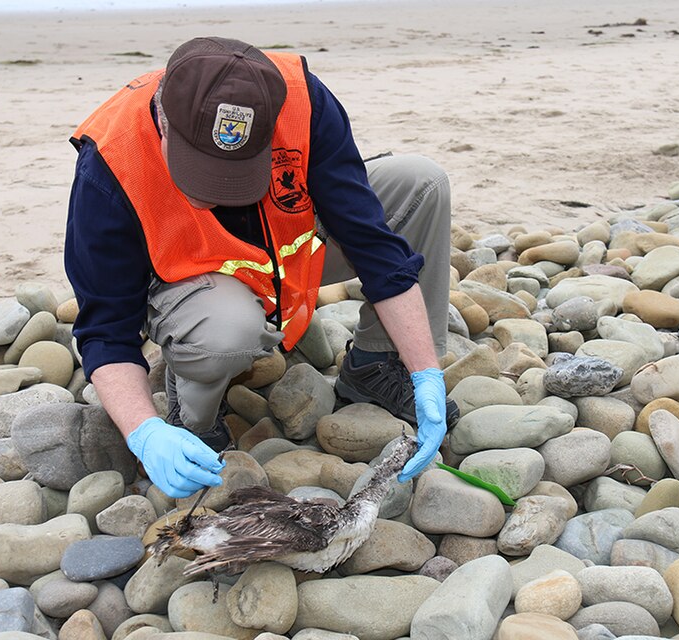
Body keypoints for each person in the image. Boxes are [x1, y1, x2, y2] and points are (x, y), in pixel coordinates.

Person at [65, 36, 457, 499]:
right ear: (164, 125)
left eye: (234, 175)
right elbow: (105, 330)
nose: (217, 194)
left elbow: (372, 243)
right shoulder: (112, 162)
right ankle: (193, 421)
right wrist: (142, 432)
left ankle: (373, 365)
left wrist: (424, 371)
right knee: (226, 332)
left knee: (420, 182)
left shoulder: (302, 101)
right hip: (187, 281)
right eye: (202, 172)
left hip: (284, 252)